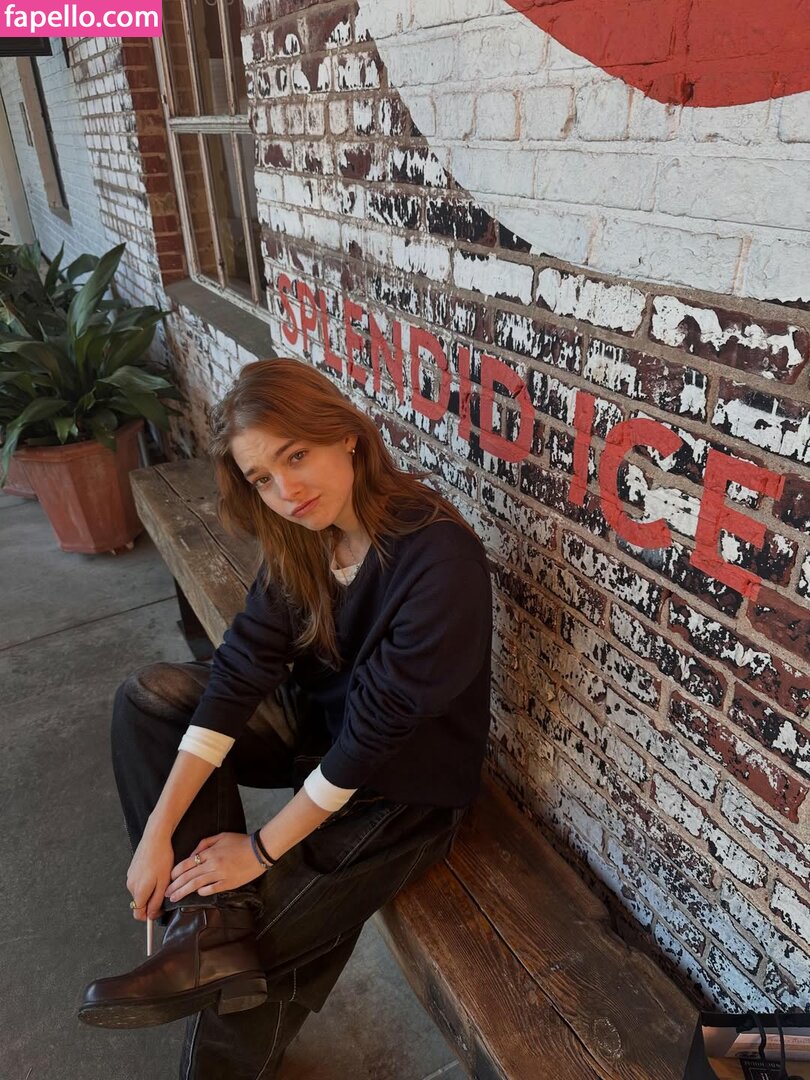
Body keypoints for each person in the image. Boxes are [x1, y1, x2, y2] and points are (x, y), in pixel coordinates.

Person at [78, 358, 493, 1079]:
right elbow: (242, 668)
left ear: (346, 435)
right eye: (262, 478)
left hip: (401, 787)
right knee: (152, 698)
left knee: (262, 946)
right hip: (320, 730)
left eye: (295, 456)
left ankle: (219, 974)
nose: (286, 492)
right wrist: (156, 833)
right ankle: (208, 926)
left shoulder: (439, 560)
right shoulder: (304, 537)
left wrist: (261, 850)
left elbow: (370, 741)